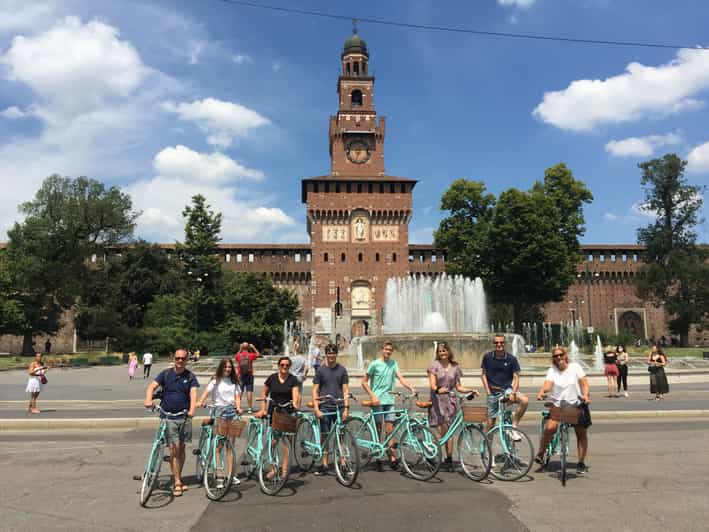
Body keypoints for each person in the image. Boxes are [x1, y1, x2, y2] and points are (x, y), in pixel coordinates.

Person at [144, 349, 199, 496]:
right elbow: (151, 387)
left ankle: (178, 476)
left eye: (183, 359)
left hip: (184, 416)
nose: (180, 361)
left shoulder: (191, 376)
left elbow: (193, 394)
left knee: (181, 449)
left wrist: (192, 409)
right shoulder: (166, 374)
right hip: (168, 416)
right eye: (177, 358)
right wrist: (148, 399)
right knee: (174, 449)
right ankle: (177, 482)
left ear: (187, 360)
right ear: (173, 358)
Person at [535, 347, 591, 475]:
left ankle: (581, 462)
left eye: (561, 355)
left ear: (565, 355)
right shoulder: (552, 370)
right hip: (558, 405)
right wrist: (542, 392)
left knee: (581, 433)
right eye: (556, 356)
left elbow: (584, 384)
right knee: (550, 428)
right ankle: (541, 452)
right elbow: (547, 385)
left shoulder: (575, 367)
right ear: (553, 359)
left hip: (576, 403)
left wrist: (586, 395)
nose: (559, 358)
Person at [361, 341, 416, 470]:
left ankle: (392, 456)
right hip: (378, 401)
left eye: (390, 350)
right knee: (379, 429)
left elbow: (400, 378)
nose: (388, 351)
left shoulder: (393, 363)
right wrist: (372, 395)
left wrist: (411, 388)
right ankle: (378, 456)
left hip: (390, 400)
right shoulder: (374, 364)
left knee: (390, 429)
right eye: (386, 349)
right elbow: (363, 382)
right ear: (382, 350)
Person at [428, 341, 478, 471]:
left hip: (450, 402)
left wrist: (470, 390)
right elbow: (432, 385)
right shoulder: (434, 365)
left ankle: (449, 459)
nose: (442, 353)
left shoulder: (455, 366)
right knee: (440, 433)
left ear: (449, 351)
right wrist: (438, 389)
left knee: (449, 432)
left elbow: (458, 387)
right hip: (437, 401)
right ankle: (430, 452)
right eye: (439, 351)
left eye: (444, 351)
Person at [198, 357, 242, 486]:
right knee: (218, 446)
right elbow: (206, 393)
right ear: (221, 367)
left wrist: (239, 407)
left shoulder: (235, 381)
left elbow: (237, 397)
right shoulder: (215, 380)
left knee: (230, 446)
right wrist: (200, 401)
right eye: (225, 367)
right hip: (220, 412)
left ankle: (230, 474)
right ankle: (219, 475)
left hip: (233, 412)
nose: (227, 369)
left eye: (229, 367)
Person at [255, 356, 300, 480]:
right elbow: (264, 393)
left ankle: (285, 469)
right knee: (273, 441)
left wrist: (295, 404)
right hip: (274, 412)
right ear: (278, 366)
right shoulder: (272, 378)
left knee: (287, 443)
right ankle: (274, 467)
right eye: (282, 365)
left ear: (289, 366)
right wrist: (263, 409)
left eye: (287, 365)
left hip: (287, 412)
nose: (284, 367)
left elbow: (295, 393)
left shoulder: (293, 379)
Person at [312, 343, 350, 476]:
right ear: (326, 354)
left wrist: (346, 408)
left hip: (339, 407)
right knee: (325, 436)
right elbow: (315, 390)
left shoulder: (342, 370)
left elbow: (345, 389)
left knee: (341, 436)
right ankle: (324, 463)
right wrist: (316, 408)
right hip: (325, 407)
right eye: (329, 353)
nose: (331, 355)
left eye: (333, 352)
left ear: (336, 354)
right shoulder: (321, 371)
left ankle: (343, 462)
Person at [481, 334, 528, 438]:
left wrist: (513, 393)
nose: (499, 345)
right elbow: (483, 374)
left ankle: (513, 426)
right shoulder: (487, 357)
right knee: (490, 425)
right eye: (496, 342)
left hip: (507, 391)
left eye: (501, 342)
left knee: (524, 400)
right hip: (492, 393)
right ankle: (486, 449)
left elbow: (516, 378)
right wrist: (488, 391)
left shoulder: (511, 359)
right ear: (493, 344)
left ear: (505, 343)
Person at [235, 342, 260, 414]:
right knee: (249, 391)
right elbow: (258, 354)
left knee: (239, 392)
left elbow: (236, 357)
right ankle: (249, 408)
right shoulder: (250, 355)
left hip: (240, 375)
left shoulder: (239, 355)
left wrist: (240, 349)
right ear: (248, 347)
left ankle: (238, 407)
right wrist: (253, 347)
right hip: (249, 375)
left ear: (242, 347)